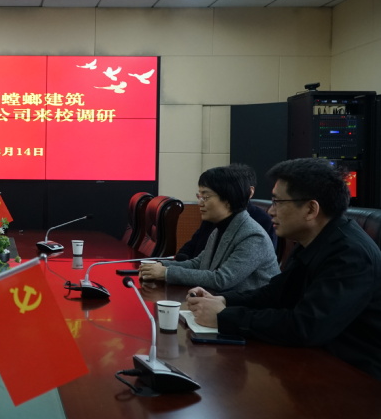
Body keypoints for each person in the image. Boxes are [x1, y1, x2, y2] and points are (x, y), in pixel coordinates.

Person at [188, 158, 381, 380]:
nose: (271, 211)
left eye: (278, 202)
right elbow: (275, 293)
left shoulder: (350, 255)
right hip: (314, 362)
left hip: (356, 378)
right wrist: (222, 300)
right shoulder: (311, 240)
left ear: (310, 209)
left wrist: (224, 317)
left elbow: (305, 326)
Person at [140, 165, 279, 294]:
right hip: (220, 301)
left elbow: (221, 279)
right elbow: (198, 263)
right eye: (199, 196)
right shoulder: (220, 228)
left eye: (205, 197)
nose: (200, 203)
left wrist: (165, 273)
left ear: (228, 199)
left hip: (250, 308)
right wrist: (159, 265)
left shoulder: (253, 236)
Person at [177, 163, 277, 259]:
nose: (200, 203)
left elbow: (226, 271)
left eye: (206, 196)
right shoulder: (216, 219)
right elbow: (196, 252)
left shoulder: (256, 228)